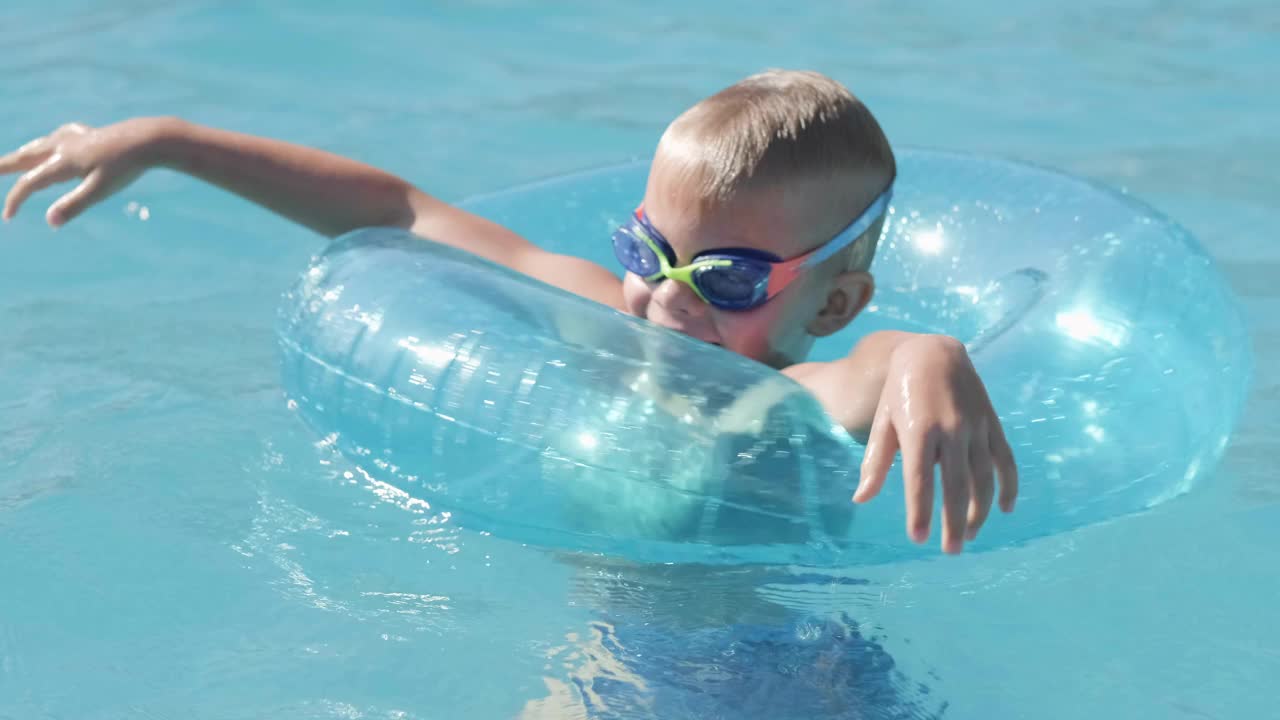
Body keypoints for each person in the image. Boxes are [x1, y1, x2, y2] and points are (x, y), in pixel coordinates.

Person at [0, 69, 1016, 554]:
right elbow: (395, 211)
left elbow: (870, 379)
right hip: (623, 654)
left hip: (783, 660)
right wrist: (169, 139)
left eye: (729, 278)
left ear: (833, 303)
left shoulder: (781, 398)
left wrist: (924, 354)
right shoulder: (603, 325)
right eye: (646, 252)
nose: (667, 298)